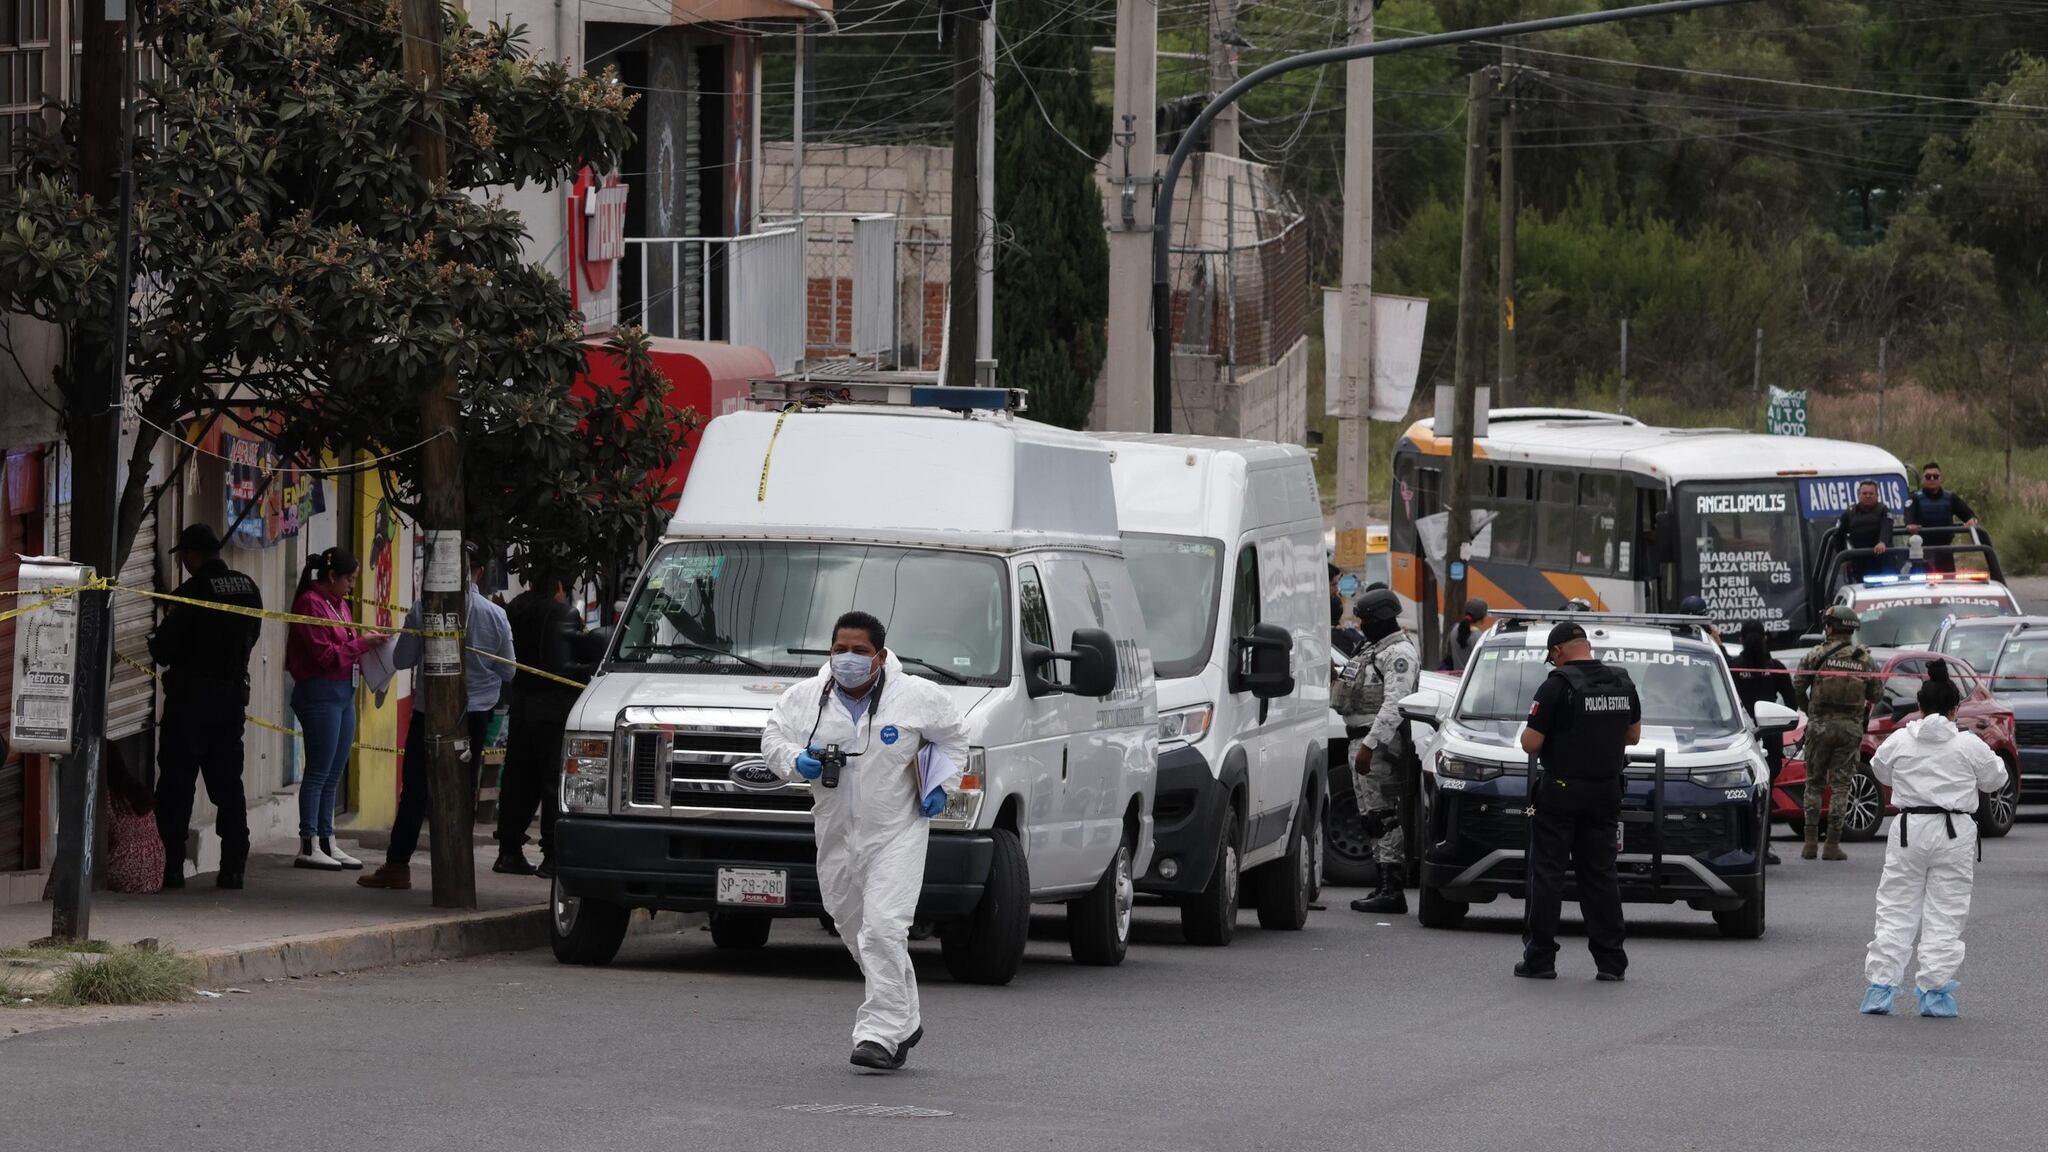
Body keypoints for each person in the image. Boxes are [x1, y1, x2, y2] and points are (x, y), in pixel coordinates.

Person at [761, 611, 969, 1072]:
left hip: (897, 832)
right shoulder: (805, 698)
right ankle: (905, 1019)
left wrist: (941, 784)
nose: (848, 658)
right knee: (853, 926)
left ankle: (880, 1033)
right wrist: (796, 759)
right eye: (840, 650)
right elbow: (772, 738)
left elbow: (954, 739)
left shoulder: (916, 696)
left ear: (880, 655)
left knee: (883, 928)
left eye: (859, 651)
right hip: (835, 833)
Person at [360, 544, 516, 891]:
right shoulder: (495, 615)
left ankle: (397, 864)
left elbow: (401, 660)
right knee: (463, 789)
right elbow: (508, 671)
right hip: (475, 715)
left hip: (428, 713)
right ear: (479, 572)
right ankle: (457, 869)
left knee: (415, 790)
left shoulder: (423, 609)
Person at [1861, 660, 2008, 1018]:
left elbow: (1880, 769)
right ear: (1956, 709)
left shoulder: (1900, 739)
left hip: (1909, 830)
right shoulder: (1967, 744)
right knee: (1946, 911)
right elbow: (1996, 779)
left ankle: (1880, 988)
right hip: (1954, 831)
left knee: (1896, 907)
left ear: (1920, 706)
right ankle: (1935, 991)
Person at [1517, 620, 1638, 982]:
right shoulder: (1621, 681)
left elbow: (1530, 744)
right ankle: (1611, 961)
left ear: (1557, 652)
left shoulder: (1556, 685)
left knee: (1547, 874)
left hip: (1561, 792)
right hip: (1605, 792)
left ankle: (1540, 959)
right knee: (1601, 876)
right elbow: (1633, 736)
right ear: (1586, 646)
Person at [148, 524, 263, 889]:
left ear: (190, 555)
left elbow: (164, 650)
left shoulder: (190, 593)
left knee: (177, 785)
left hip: (190, 703)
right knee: (228, 785)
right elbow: (251, 637)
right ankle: (234, 867)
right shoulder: (249, 588)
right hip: (230, 701)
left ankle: (171, 868)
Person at [495, 566, 597, 878]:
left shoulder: (515, 608)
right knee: (554, 781)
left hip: (522, 701)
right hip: (554, 706)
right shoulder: (562, 613)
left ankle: (509, 850)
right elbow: (572, 660)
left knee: (518, 778)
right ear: (559, 587)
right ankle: (552, 854)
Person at [287, 546, 381, 871]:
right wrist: (362, 644)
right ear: (332, 576)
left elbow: (346, 646)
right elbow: (325, 655)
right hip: (319, 692)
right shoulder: (309, 604)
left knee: (334, 773)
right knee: (318, 771)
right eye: (349, 579)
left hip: (344, 693)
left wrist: (367, 646)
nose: (352, 586)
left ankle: (327, 839)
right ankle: (308, 842)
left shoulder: (339, 604)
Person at [1333, 587, 1418, 914]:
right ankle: (1383, 884)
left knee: (1383, 815)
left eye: (1366, 619)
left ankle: (1393, 889)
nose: (1362, 625)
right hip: (1360, 740)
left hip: (1379, 745)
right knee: (1370, 816)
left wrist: (1370, 746)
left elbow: (1395, 705)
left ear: (1380, 618)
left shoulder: (1398, 654)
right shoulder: (1371, 649)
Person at [1793, 605, 1883, 861]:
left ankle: (1810, 843)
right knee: (1841, 786)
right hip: (1849, 729)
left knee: (1814, 783)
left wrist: (1809, 710)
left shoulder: (1816, 654)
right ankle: (1832, 844)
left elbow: (1798, 685)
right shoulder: (1864, 659)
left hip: (1819, 727)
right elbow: (1876, 694)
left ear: (1830, 627)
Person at [1731, 618, 1799, 866]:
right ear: (1766, 638)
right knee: (1765, 794)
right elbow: (1792, 704)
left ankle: (1738, 844)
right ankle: (1763, 846)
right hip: (1769, 737)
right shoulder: (1775, 668)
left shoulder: (1731, 668)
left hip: (1736, 737)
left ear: (1740, 639)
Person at [1904, 462, 1978, 574]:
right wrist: (1910, 525)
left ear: (1941, 479)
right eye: (1928, 477)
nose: (1932, 479)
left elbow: (1968, 515)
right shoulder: (1914, 498)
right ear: (1923, 480)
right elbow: (1908, 517)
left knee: (1948, 582)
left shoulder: (1950, 497)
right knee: (1921, 582)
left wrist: (1972, 520)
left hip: (1945, 550)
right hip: (1921, 552)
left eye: (1935, 476)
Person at [1836, 480, 1896, 582]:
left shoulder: (1884, 510)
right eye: (1864, 493)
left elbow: (1887, 527)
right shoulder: (1850, 512)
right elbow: (1838, 535)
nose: (1868, 496)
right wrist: (1844, 558)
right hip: (1860, 561)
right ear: (1859, 495)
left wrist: (1882, 542)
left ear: (1877, 495)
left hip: (1882, 560)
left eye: (1871, 493)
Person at [1443, 597, 1490, 672]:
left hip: (1455, 677)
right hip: (1473, 678)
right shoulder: (1480, 637)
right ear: (1483, 618)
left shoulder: (1454, 629)